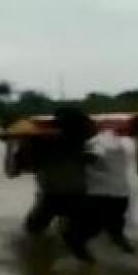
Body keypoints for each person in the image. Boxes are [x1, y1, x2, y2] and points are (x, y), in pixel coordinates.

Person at [17, 108, 93, 260]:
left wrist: (21, 143)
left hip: (53, 195)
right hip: (79, 194)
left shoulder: (41, 142)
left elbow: (19, 169)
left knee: (33, 234)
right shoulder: (84, 143)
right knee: (72, 237)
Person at [62, 124, 135, 257]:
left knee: (73, 237)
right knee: (115, 235)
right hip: (121, 195)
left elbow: (93, 157)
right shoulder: (121, 142)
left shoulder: (97, 141)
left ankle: (88, 269)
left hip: (100, 197)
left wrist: (69, 155)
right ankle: (137, 263)